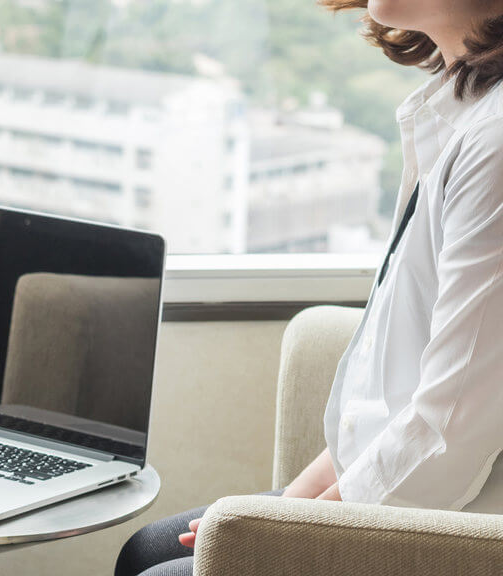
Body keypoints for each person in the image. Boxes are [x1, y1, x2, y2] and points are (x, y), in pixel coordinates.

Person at [116, 0, 503, 574]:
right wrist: (280, 510)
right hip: (398, 489)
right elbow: (391, 403)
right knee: (148, 549)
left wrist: (288, 533)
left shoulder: (495, 141)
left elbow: (449, 433)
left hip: (454, 525)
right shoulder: (455, 109)